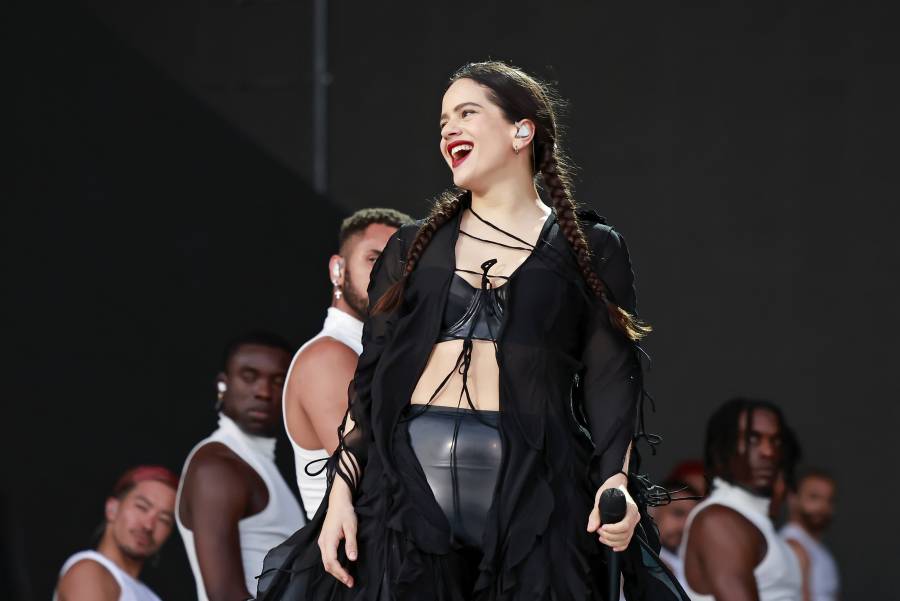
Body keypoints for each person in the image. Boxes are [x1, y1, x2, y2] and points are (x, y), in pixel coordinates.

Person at [258, 60, 687, 600]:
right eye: (443, 122)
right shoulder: (413, 246)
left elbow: (610, 381)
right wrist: (340, 496)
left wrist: (615, 481)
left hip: (533, 500)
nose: (448, 130)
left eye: (466, 113)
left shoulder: (590, 247)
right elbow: (370, 387)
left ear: (521, 131)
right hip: (406, 500)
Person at [283, 208, 413, 518]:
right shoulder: (328, 357)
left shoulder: (382, 354)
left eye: (403, 264)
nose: (389, 273)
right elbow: (374, 483)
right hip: (359, 548)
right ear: (338, 269)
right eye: (374, 258)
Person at [177, 332, 304, 601]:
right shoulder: (217, 467)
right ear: (222, 385)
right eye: (249, 376)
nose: (263, 392)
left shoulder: (257, 464)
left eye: (278, 381)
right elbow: (224, 596)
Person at [681, 398, 803, 601]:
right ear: (723, 448)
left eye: (776, 441)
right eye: (753, 439)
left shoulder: (751, 517)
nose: (768, 452)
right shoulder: (718, 519)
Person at [55, 466, 178, 601]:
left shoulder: (151, 596)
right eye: (142, 507)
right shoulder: (89, 570)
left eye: (164, 520)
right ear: (112, 508)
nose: (149, 526)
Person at [780, 470, 840, 601]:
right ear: (792, 499)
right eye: (814, 497)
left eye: (829, 500)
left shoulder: (819, 550)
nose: (823, 506)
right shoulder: (792, 546)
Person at [649, 478, 700, 588]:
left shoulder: (692, 561)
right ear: (653, 510)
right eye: (678, 513)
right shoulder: (633, 557)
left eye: (692, 519)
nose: (685, 525)